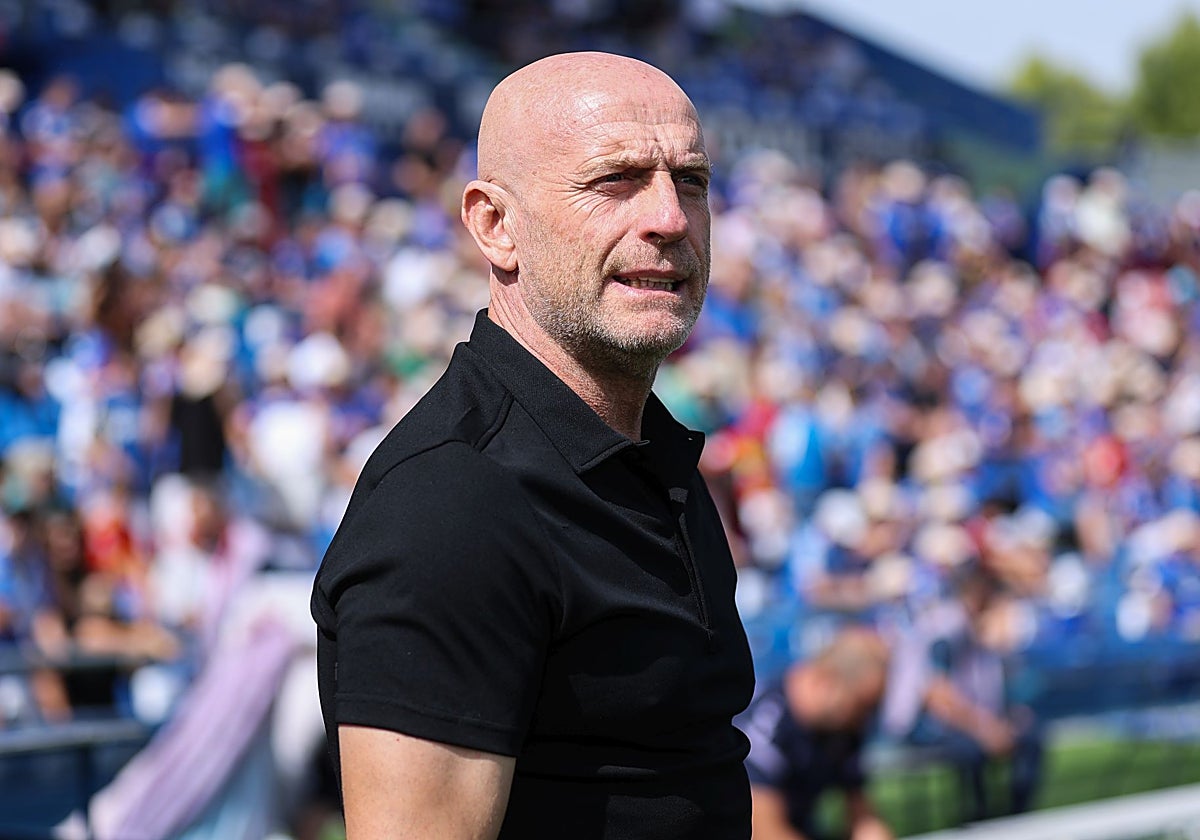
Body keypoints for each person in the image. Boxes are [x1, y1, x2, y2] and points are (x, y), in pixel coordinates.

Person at [310, 51, 756, 840]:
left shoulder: (645, 460)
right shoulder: (453, 505)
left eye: (690, 181)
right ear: (495, 224)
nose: (670, 218)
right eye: (616, 179)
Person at [737, 627, 894, 840]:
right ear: (826, 682)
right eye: (861, 707)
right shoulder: (766, 725)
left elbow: (863, 817)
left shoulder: (842, 729)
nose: (864, 720)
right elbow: (764, 831)